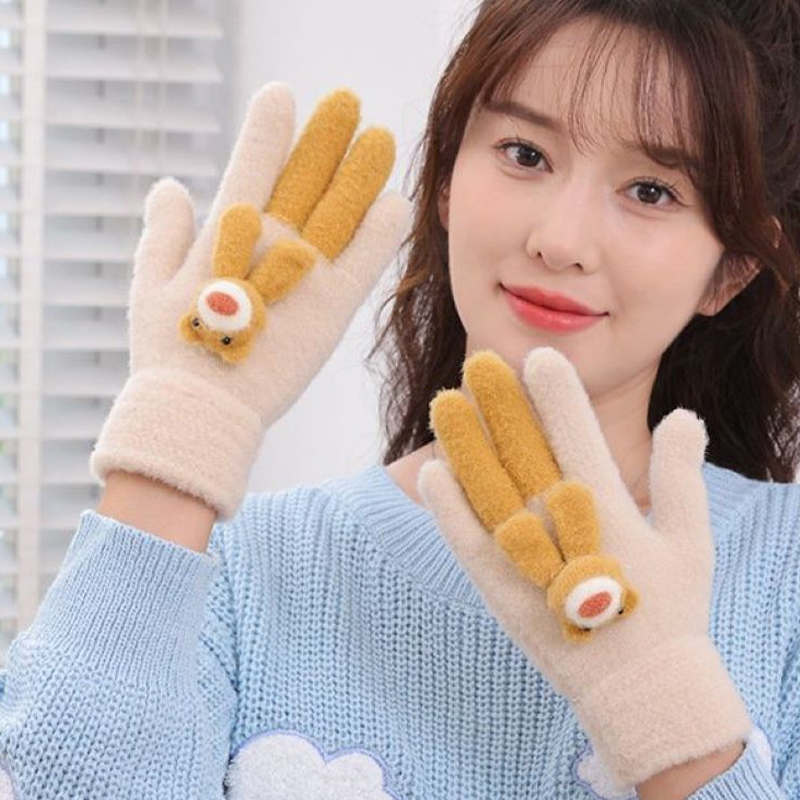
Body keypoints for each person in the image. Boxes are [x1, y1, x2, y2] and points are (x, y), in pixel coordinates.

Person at [0, 0, 799, 797]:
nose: (559, 241)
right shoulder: (244, 575)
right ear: (446, 179)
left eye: (652, 191)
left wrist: (663, 710)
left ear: (731, 271)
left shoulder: (785, 574)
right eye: (524, 153)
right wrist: (180, 430)